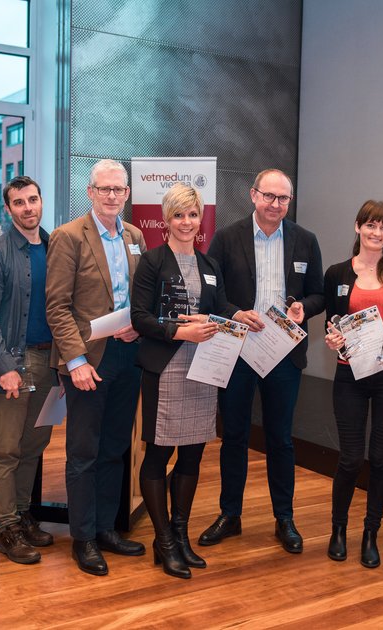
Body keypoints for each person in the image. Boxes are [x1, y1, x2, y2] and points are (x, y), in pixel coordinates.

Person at [200, 168, 324, 553]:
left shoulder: (305, 240)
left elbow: (319, 294)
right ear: (253, 195)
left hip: (283, 353)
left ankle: (284, 518)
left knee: (280, 438)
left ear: (290, 201)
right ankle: (230, 514)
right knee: (234, 435)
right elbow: (212, 293)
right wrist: (235, 313)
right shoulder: (226, 238)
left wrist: (306, 307)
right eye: (269, 196)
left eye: (283, 198)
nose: (275, 204)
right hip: (238, 352)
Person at [46, 159, 147, 576]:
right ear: (89, 192)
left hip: (127, 356)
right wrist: (75, 361)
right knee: (83, 453)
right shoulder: (68, 237)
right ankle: (83, 537)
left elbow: (138, 298)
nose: (111, 196)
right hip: (87, 361)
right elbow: (57, 306)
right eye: (103, 189)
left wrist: (138, 329)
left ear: (127, 194)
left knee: (115, 448)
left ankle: (106, 527)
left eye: (118, 190)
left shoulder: (136, 236)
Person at [130, 183, 229, 579]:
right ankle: (164, 541)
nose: (186, 222)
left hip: (203, 371)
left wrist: (235, 317)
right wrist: (178, 332)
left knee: (192, 455)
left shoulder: (209, 266)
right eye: (178, 215)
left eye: (193, 215)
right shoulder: (153, 262)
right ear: (166, 220)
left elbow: (219, 309)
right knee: (158, 454)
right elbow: (139, 317)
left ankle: (181, 535)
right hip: (167, 368)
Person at [322, 200, 383, 568]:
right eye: (371, 225)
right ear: (357, 227)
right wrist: (332, 339)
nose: (377, 233)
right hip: (350, 375)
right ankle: (338, 530)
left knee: (380, 459)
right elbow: (333, 324)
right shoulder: (337, 273)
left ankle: (370, 534)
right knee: (349, 458)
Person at [0, 176, 56, 565]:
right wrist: (5, 366)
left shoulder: (57, 247)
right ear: (8, 209)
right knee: (5, 450)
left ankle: (23, 515)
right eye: (19, 202)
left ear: (41, 202)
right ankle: (6, 528)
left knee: (34, 446)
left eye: (33, 200)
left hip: (52, 364)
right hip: (14, 364)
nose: (28, 208)